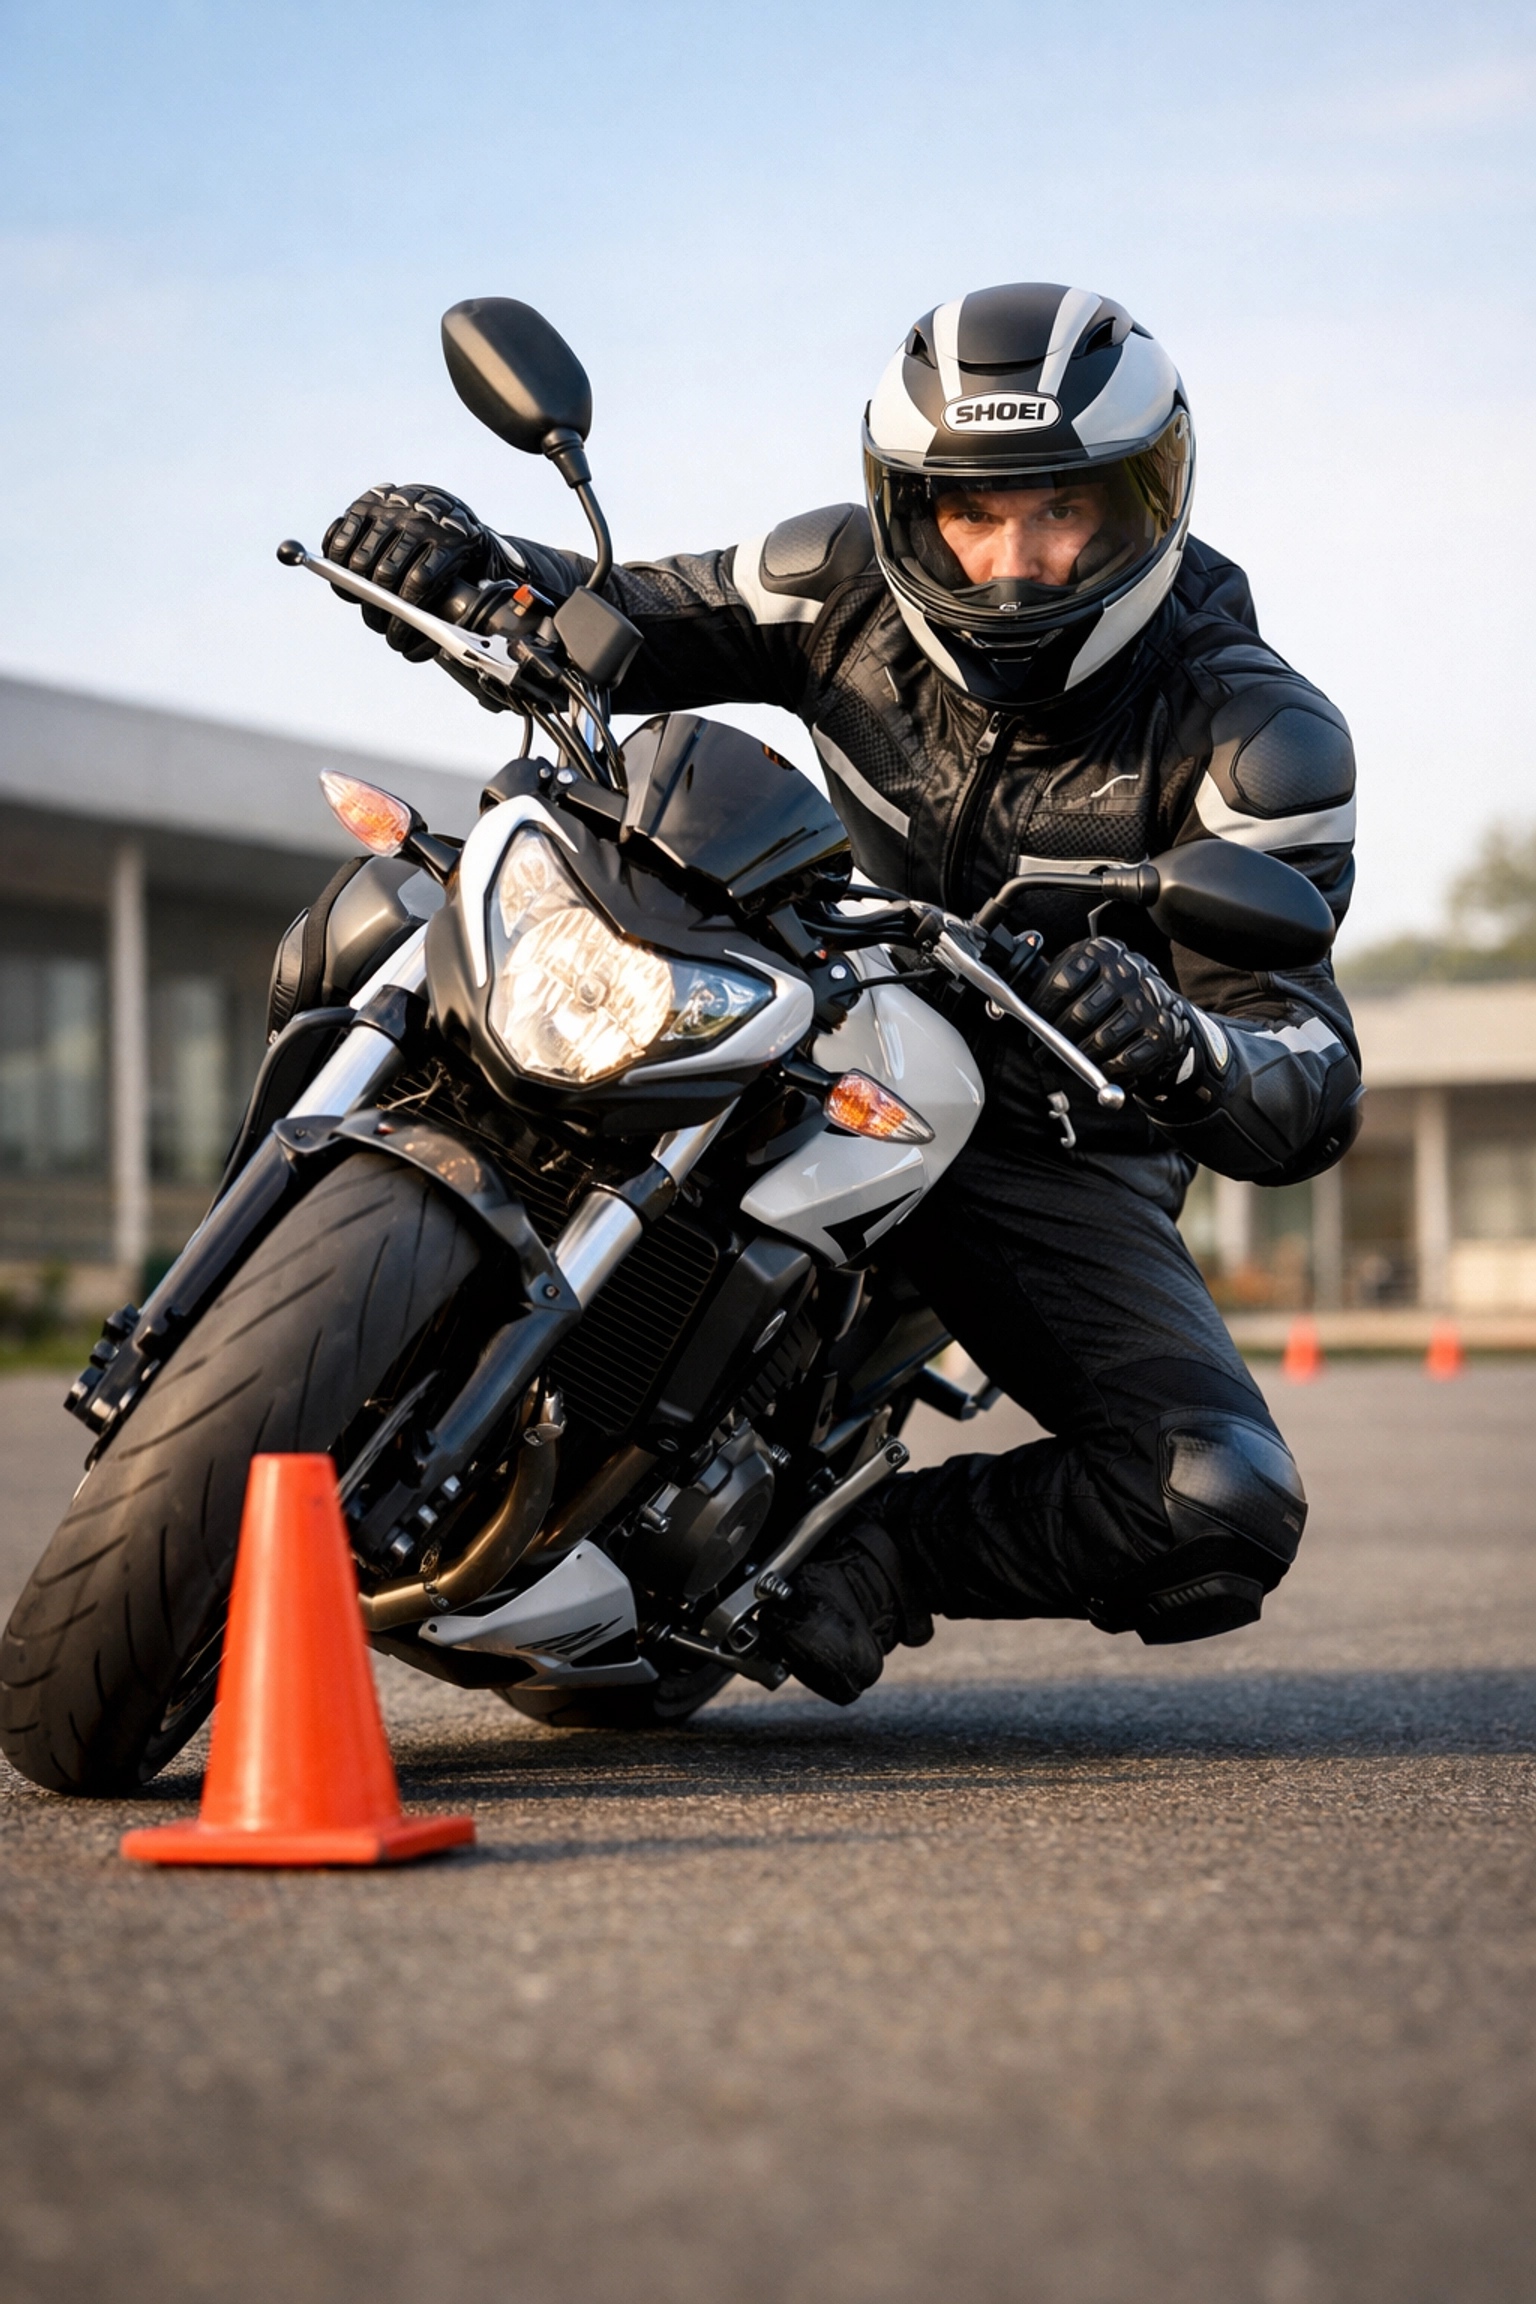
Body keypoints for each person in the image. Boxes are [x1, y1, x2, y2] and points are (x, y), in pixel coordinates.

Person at [323, 280, 1362, 1704]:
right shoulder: (833, 579)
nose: (1011, 563)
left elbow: (1304, 1056)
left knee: (1211, 1494)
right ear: (905, 506)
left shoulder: (1258, 739)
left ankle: (868, 1547)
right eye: (971, 512)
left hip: (1048, 1132)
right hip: (808, 997)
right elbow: (613, 610)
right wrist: (458, 554)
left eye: (1063, 512)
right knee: (384, 906)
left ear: (1143, 507)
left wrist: (1180, 1040)